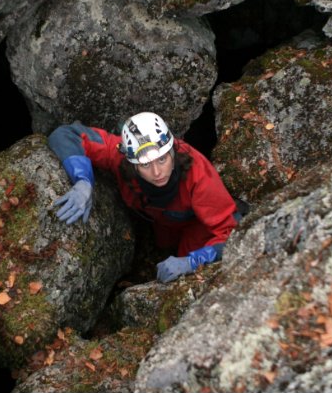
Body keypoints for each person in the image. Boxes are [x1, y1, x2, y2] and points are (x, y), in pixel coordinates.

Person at [48, 112, 239, 283]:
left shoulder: (199, 177)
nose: (157, 172)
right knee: (163, 246)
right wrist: (83, 181)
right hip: (161, 222)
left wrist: (193, 261)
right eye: (145, 165)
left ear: (172, 151)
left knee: (183, 277)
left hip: (197, 225)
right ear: (133, 164)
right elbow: (66, 135)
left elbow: (232, 233)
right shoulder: (120, 158)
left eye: (162, 159)